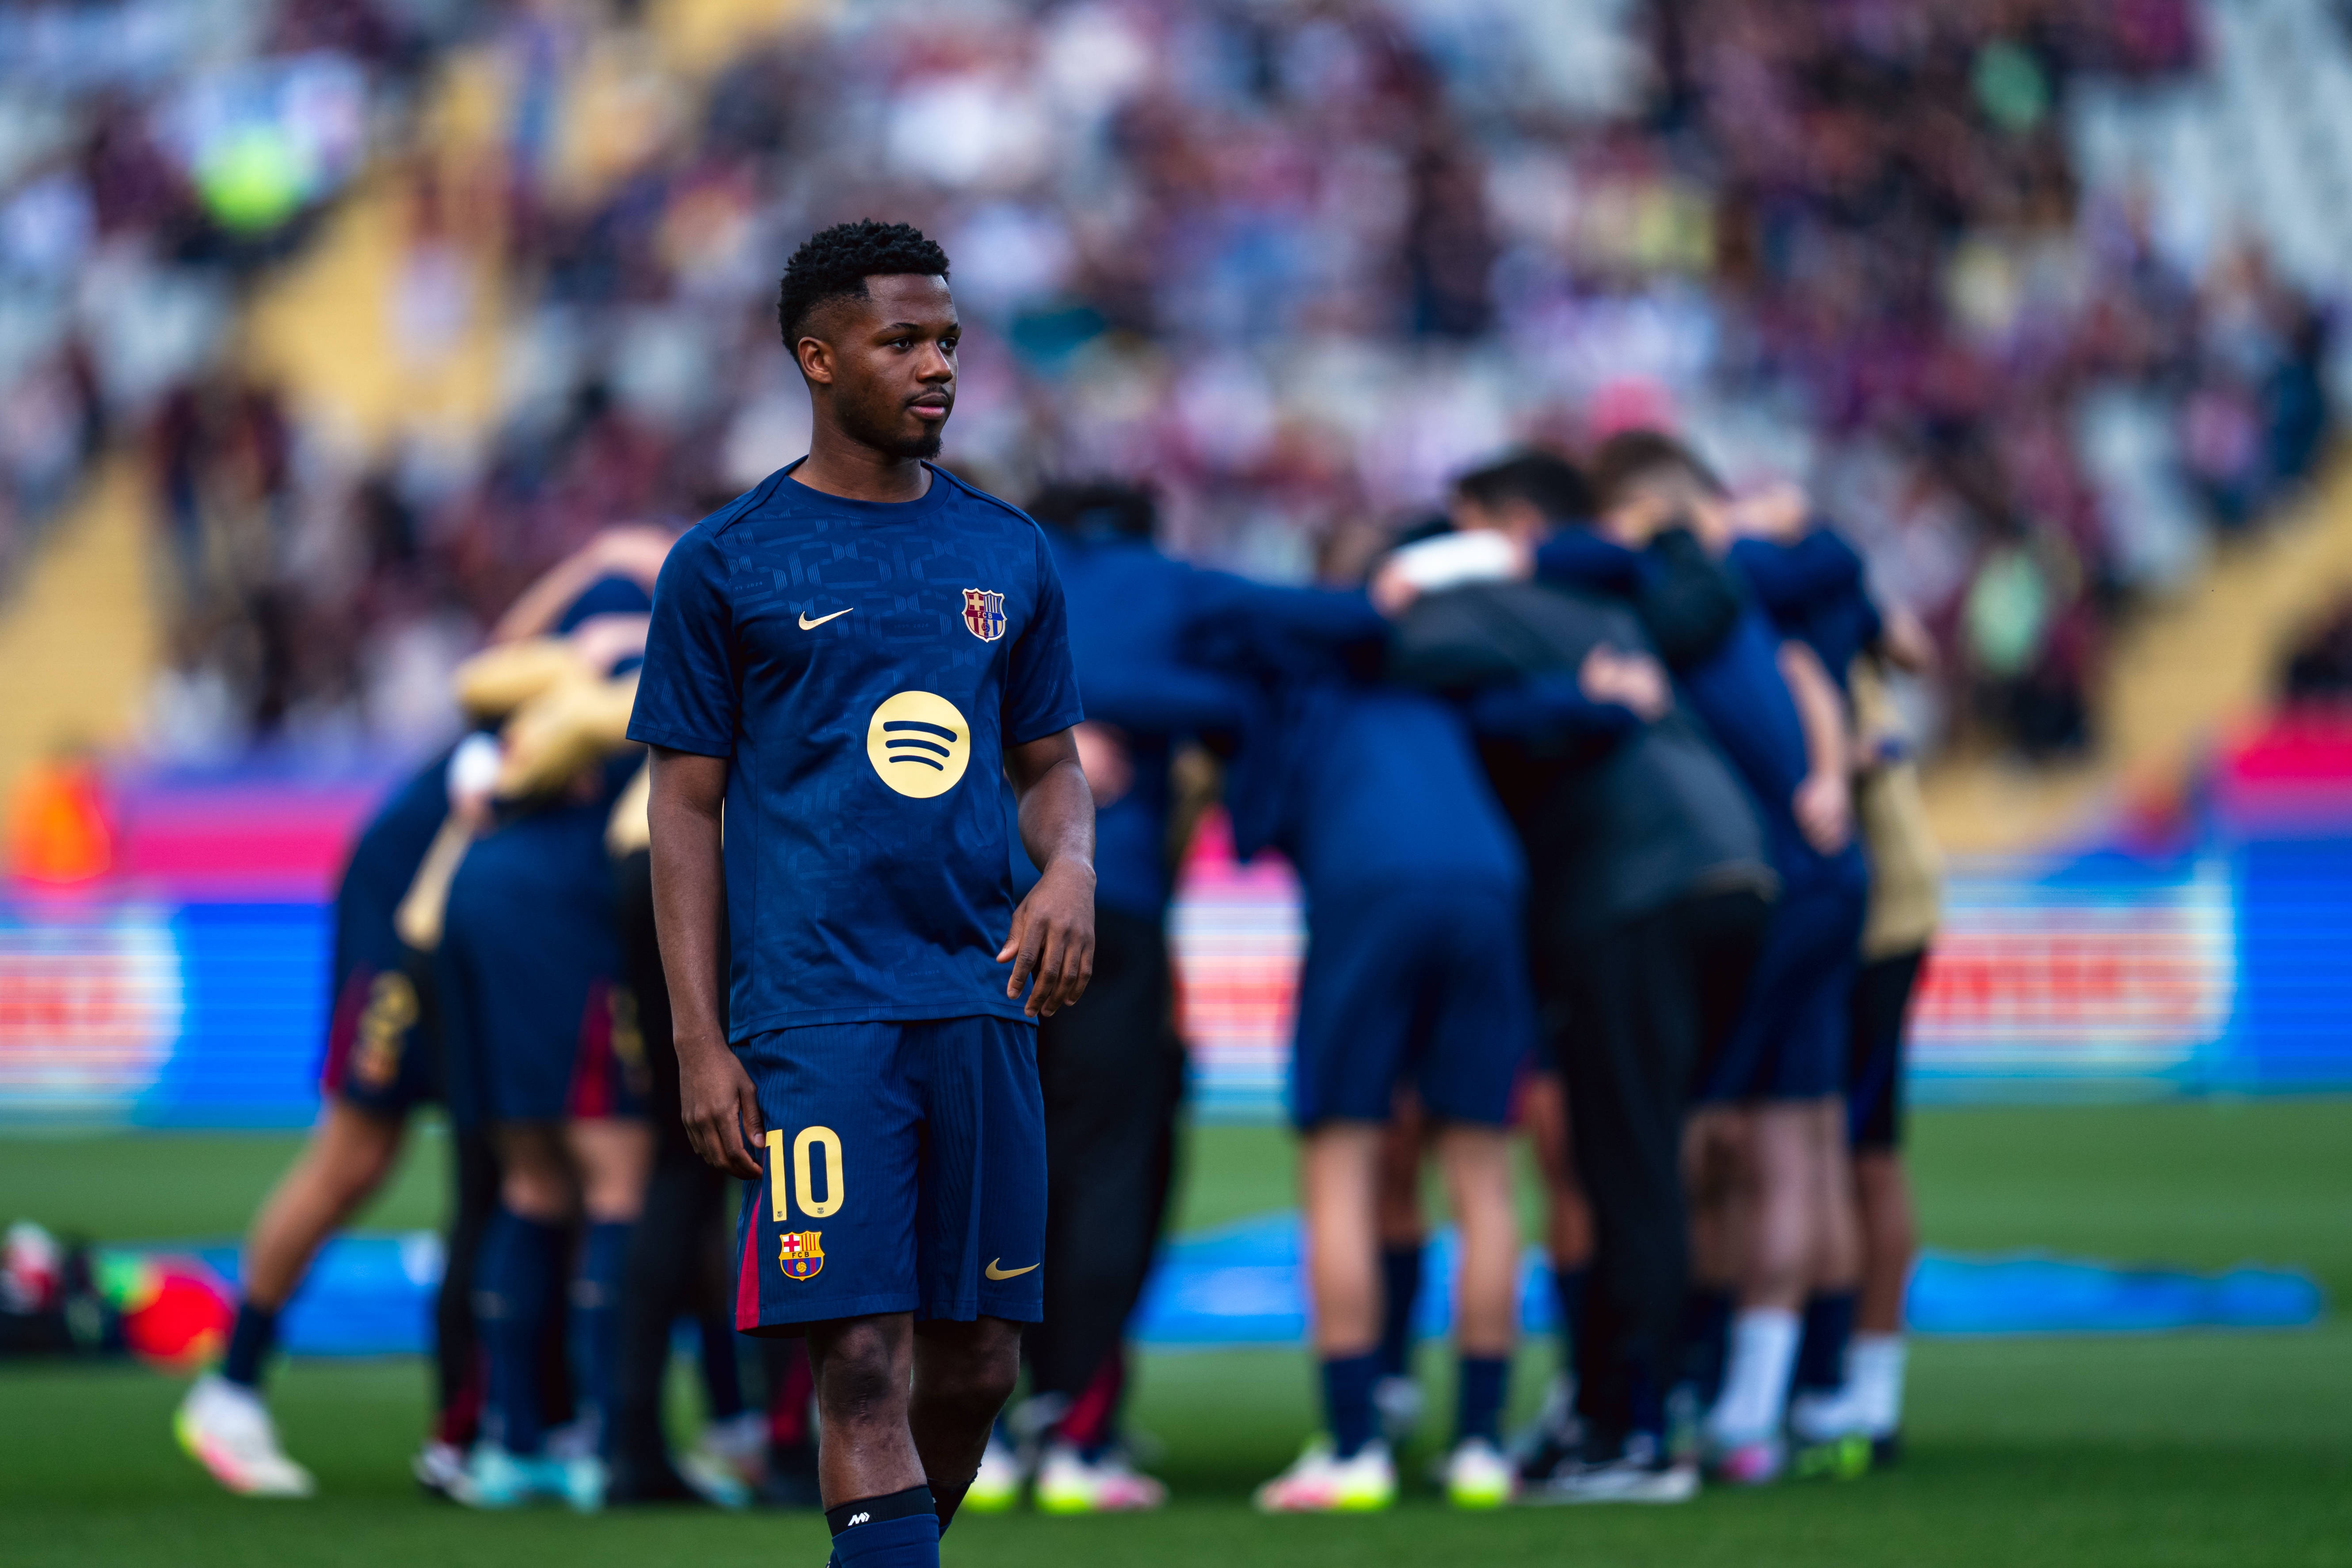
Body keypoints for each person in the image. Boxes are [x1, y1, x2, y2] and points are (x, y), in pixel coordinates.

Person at [630, 220, 1095, 1568]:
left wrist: (1069, 865)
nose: (938, 365)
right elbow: (683, 808)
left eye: (947, 339)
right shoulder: (726, 561)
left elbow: (1052, 767)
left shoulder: (1008, 551)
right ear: (818, 357)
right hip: (817, 1014)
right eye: (903, 341)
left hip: (982, 1001)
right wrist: (699, 1040)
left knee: (980, 1363)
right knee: (860, 1361)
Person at [1380, 450, 1777, 1500]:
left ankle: (1635, 1432)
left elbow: (1405, 655)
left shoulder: (1455, 616)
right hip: (1732, 868)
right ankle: (1619, 1407)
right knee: (1641, 1156)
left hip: (1633, 889)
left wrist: (1393, 597)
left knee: (1628, 1167)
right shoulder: (1594, 601)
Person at [1530, 433, 1869, 1485]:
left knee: (1679, 1146)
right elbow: (1829, 641)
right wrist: (1834, 772)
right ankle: (1782, 1402)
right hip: (1822, 876)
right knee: (1802, 1143)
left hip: (1738, 878)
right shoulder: (1768, 578)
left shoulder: (1665, 580)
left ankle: (1664, 1391)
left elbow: (1569, 559)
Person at [1181, 568, 1528, 1514]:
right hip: (1490, 887)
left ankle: (1354, 1447)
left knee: (1338, 1166)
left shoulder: (1289, 687)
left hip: (1368, 891)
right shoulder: (1444, 682)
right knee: (1483, 1179)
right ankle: (1483, 1449)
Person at [968, 480, 1248, 1515]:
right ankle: (1077, 1431)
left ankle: (978, 1423)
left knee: (986, 1168)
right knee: (1109, 1173)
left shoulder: (986, 606)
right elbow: (1241, 706)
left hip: (981, 917)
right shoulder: (1172, 611)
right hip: (1109, 917)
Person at [173, 741, 498, 1499]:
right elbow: (487, 698)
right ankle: (232, 1387)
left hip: (465, 902)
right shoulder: (593, 664)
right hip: (406, 911)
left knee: (502, 1155)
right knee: (356, 1156)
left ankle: (487, 1420)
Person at [441, 605, 656, 1513]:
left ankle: (514, 1439)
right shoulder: (628, 674)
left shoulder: (535, 678)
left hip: (485, 889)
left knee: (533, 1185)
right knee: (617, 1182)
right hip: (562, 909)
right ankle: (602, 1445)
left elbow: (476, 693)